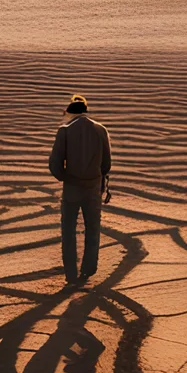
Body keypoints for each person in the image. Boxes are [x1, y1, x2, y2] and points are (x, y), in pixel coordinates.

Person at [47, 94, 111, 284]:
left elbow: (55, 164)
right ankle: (88, 269)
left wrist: (66, 178)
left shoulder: (64, 131)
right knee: (93, 229)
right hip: (93, 189)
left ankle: (70, 273)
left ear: (70, 113)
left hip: (72, 189)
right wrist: (95, 178)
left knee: (68, 231)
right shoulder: (101, 130)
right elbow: (107, 163)